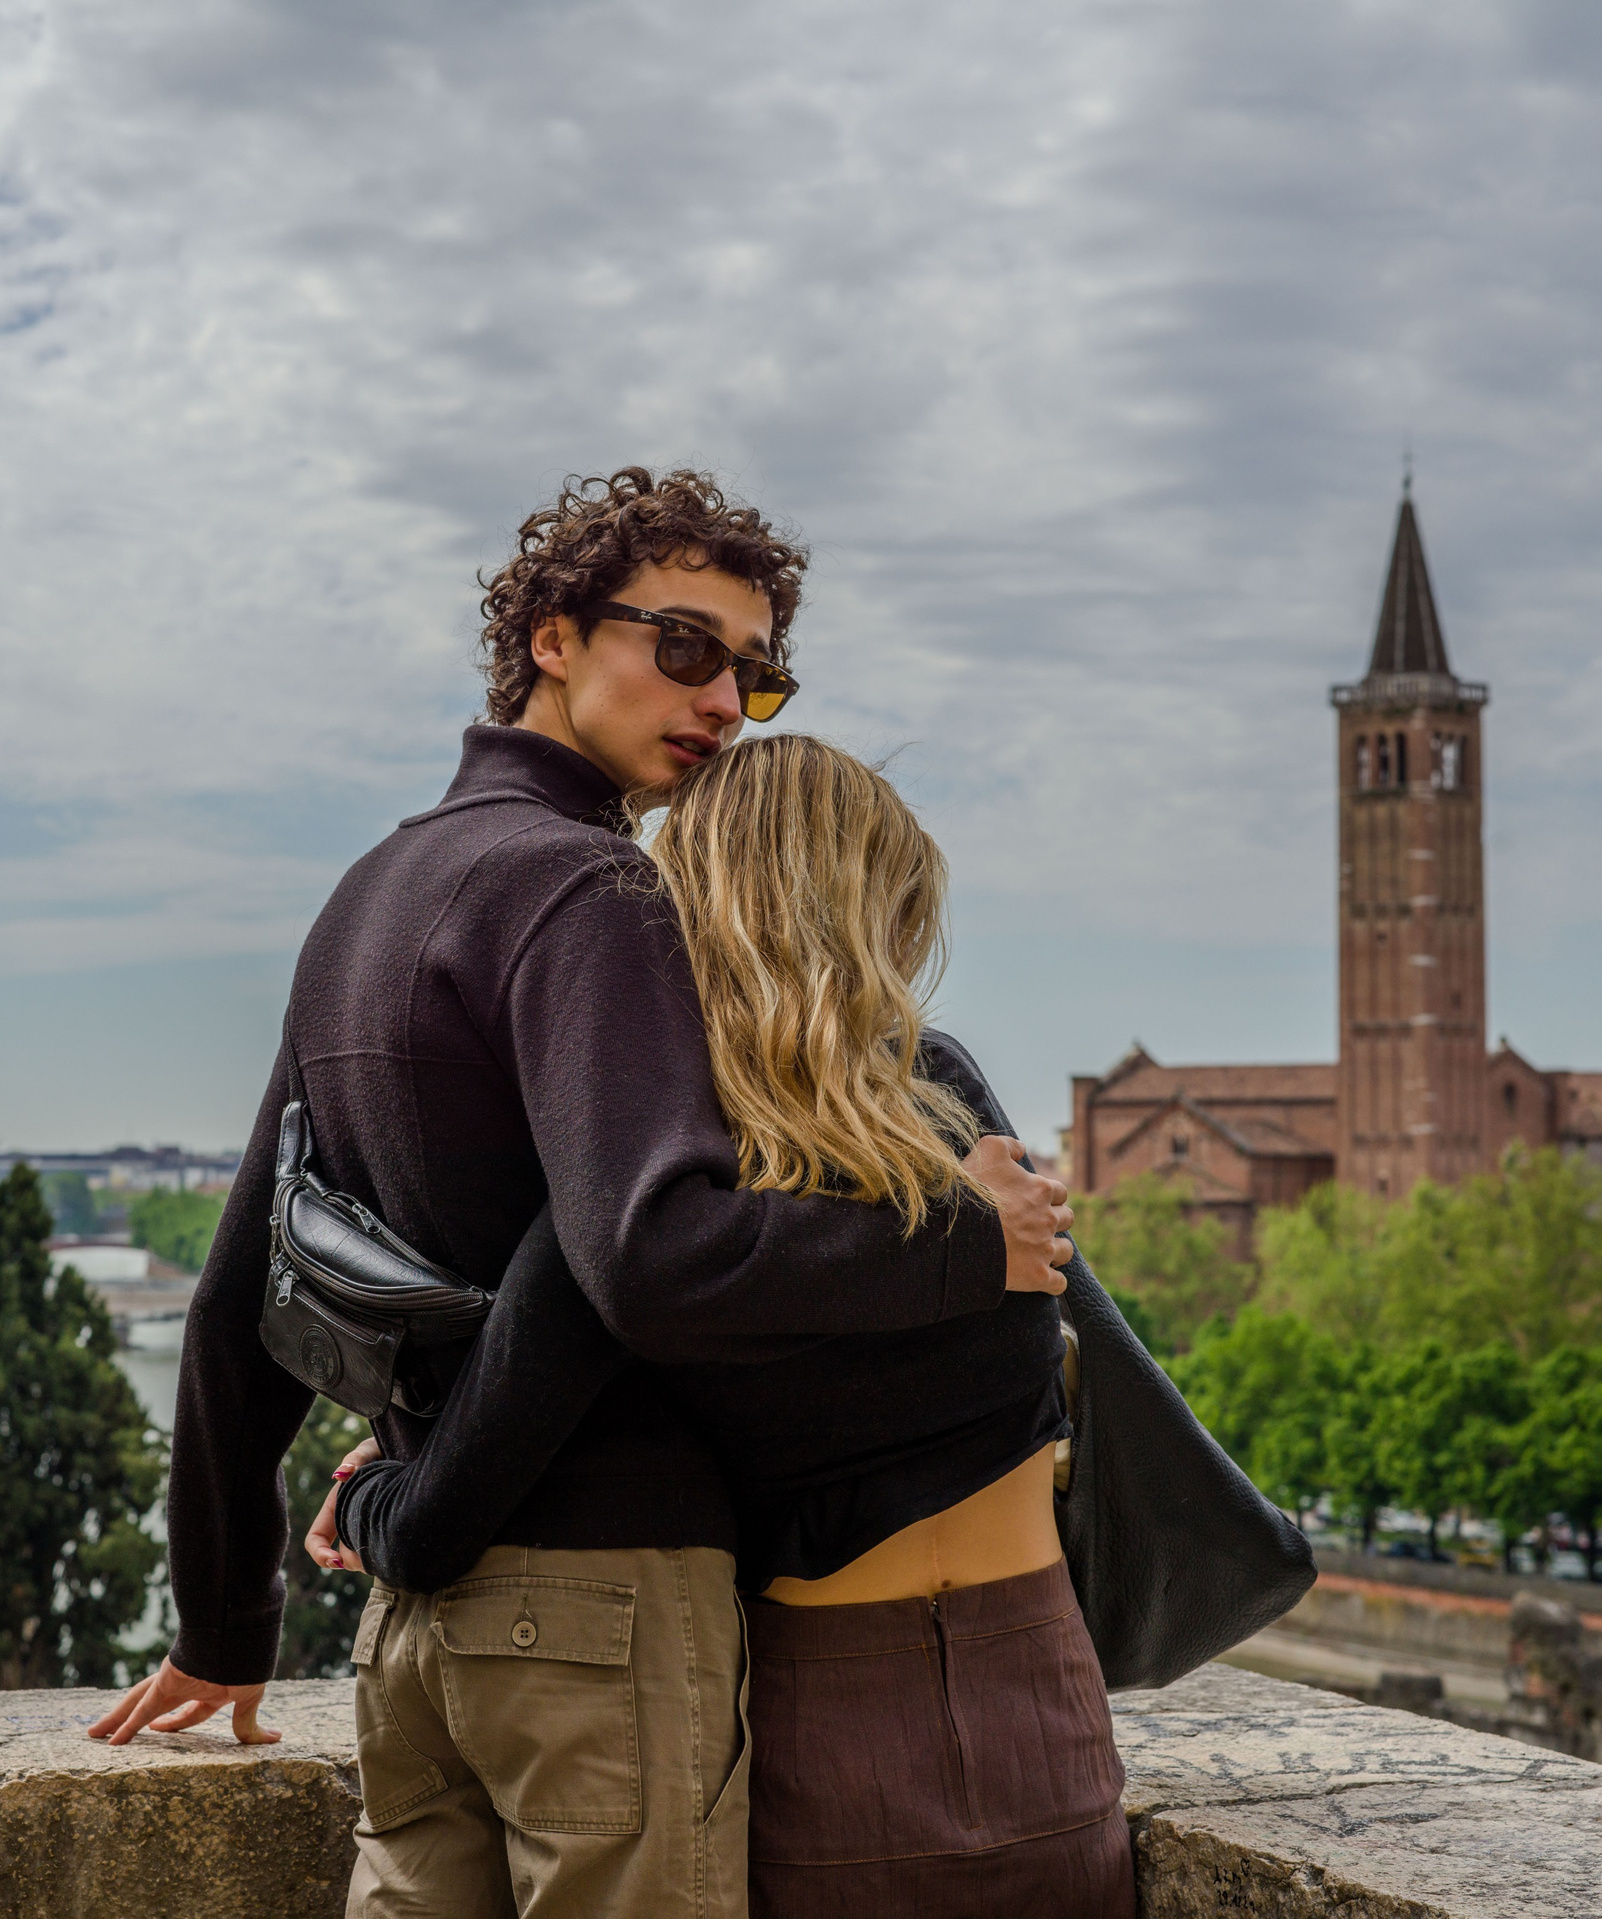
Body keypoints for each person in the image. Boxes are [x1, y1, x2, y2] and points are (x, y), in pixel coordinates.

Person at [86, 469, 1076, 1919]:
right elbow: (650, 1253)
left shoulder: (371, 892)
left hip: (422, 1635)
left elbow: (241, 1304)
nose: (727, 700)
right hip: (601, 1603)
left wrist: (230, 1617)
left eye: (756, 671)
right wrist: (965, 1245)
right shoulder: (591, 893)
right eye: (685, 647)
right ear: (553, 635)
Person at [315, 735, 1133, 1917]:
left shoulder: (666, 1176)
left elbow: (488, 1463)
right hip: (1044, 1685)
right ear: (876, 906)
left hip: (823, 1712)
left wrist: (383, 1486)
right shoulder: (951, 1107)